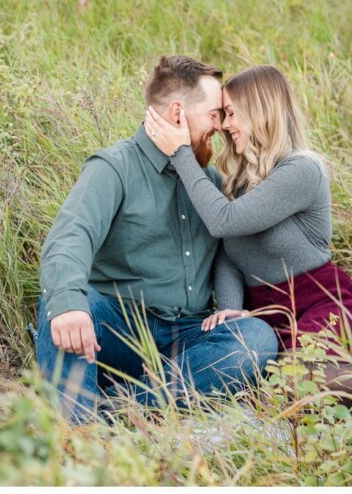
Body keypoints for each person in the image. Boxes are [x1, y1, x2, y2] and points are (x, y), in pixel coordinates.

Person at [36, 55, 279, 423]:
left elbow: (228, 252)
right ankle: (80, 431)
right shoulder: (114, 167)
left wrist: (229, 305)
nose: (222, 125)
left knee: (256, 340)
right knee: (67, 305)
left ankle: (122, 406)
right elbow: (71, 236)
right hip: (117, 327)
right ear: (178, 113)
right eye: (215, 114)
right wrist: (68, 304)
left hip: (187, 336)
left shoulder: (208, 182)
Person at [143, 64, 352, 402]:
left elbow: (223, 222)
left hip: (322, 307)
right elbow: (228, 254)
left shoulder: (302, 170)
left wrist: (181, 153)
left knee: (289, 384)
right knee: (263, 388)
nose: (225, 125)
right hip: (270, 321)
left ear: (259, 112)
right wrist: (231, 311)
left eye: (231, 114)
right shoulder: (240, 180)